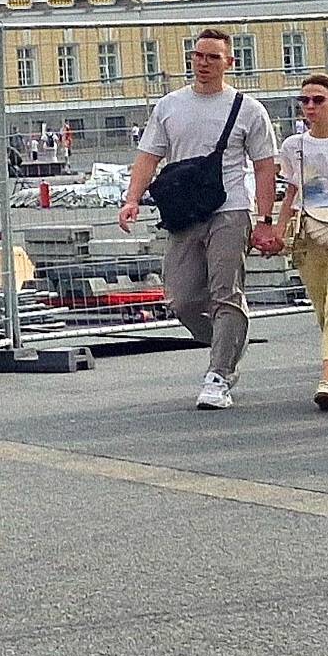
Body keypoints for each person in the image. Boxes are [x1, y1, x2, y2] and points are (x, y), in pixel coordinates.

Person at [117, 28, 279, 410]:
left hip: (230, 209)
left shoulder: (248, 109)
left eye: (213, 58)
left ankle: (219, 374)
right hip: (184, 211)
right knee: (182, 298)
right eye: (198, 56)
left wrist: (265, 218)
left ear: (229, 63)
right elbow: (148, 157)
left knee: (226, 291)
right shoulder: (170, 105)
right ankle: (229, 340)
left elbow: (264, 167)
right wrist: (131, 199)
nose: (203, 64)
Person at [273, 72, 328, 409]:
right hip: (309, 233)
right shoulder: (294, 146)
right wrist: (277, 231)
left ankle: (327, 379)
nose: (309, 107)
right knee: (322, 310)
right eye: (304, 100)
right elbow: (292, 192)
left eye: (318, 100)